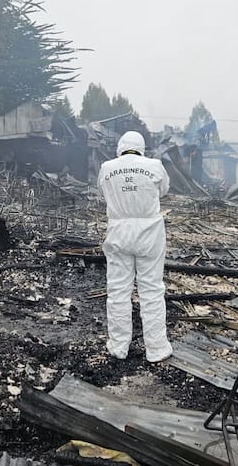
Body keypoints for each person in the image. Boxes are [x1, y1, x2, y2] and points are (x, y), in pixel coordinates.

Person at [97, 131, 173, 363]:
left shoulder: (107, 168)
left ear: (120, 147)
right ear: (141, 148)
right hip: (149, 232)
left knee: (118, 291)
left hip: (119, 231)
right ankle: (156, 349)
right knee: (151, 290)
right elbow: (164, 190)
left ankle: (118, 346)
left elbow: (104, 193)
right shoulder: (155, 165)